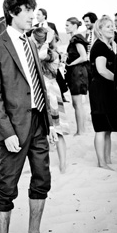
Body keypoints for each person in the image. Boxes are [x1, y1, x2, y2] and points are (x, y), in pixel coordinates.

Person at [0, 0, 56, 233]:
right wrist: (6, 132)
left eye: (34, 10)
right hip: (13, 128)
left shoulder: (30, 40)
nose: (33, 15)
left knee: (42, 180)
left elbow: (37, 83)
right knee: (7, 187)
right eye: (28, 10)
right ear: (13, 12)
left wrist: (48, 124)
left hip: (39, 122)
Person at [32, 27, 68, 172]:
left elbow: (41, 56)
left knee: (57, 129)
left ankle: (63, 165)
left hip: (51, 93)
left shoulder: (51, 54)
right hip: (40, 92)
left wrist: (46, 42)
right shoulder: (35, 52)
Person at [88, 16, 117, 169]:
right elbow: (101, 70)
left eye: (113, 25)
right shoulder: (100, 46)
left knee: (107, 129)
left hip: (107, 90)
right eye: (108, 26)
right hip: (100, 90)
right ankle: (102, 162)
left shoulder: (107, 46)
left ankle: (107, 160)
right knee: (101, 128)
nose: (112, 28)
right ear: (99, 30)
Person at [64, 18, 89, 135]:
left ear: (74, 26)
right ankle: (80, 130)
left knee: (77, 103)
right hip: (75, 72)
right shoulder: (74, 39)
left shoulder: (76, 38)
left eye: (68, 25)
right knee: (76, 104)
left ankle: (81, 131)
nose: (65, 27)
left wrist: (70, 64)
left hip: (77, 72)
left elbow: (84, 57)